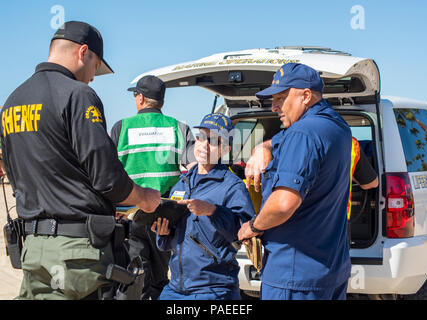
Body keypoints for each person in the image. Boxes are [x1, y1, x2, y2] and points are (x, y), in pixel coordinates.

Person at [0, 21, 161, 300]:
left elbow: (16, 174)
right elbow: (108, 178)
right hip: (78, 256)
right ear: (83, 52)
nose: (93, 78)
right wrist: (145, 198)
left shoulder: (12, 101)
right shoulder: (78, 95)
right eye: (95, 67)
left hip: (34, 251)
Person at [238, 63, 352, 300]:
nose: (274, 106)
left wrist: (253, 227)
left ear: (306, 96)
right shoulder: (338, 127)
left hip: (293, 276)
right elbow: (285, 139)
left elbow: (283, 204)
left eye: (280, 98)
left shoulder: (302, 134)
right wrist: (263, 146)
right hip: (331, 271)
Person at [151, 113, 255, 300]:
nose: (204, 145)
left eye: (212, 140)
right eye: (200, 138)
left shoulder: (232, 186)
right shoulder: (182, 183)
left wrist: (213, 211)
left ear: (225, 149)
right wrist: (164, 233)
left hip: (213, 289)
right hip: (176, 287)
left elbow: (244, 230)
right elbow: (174, 237)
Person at [110, 75, 196, 300]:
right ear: (162, 102)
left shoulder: (122, 128)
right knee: (159, 279)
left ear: (140, 98)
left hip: (130, 216)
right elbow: (195, 169)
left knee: (133, 279)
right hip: (164, 219)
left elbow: (108, 174)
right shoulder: (179, 128)